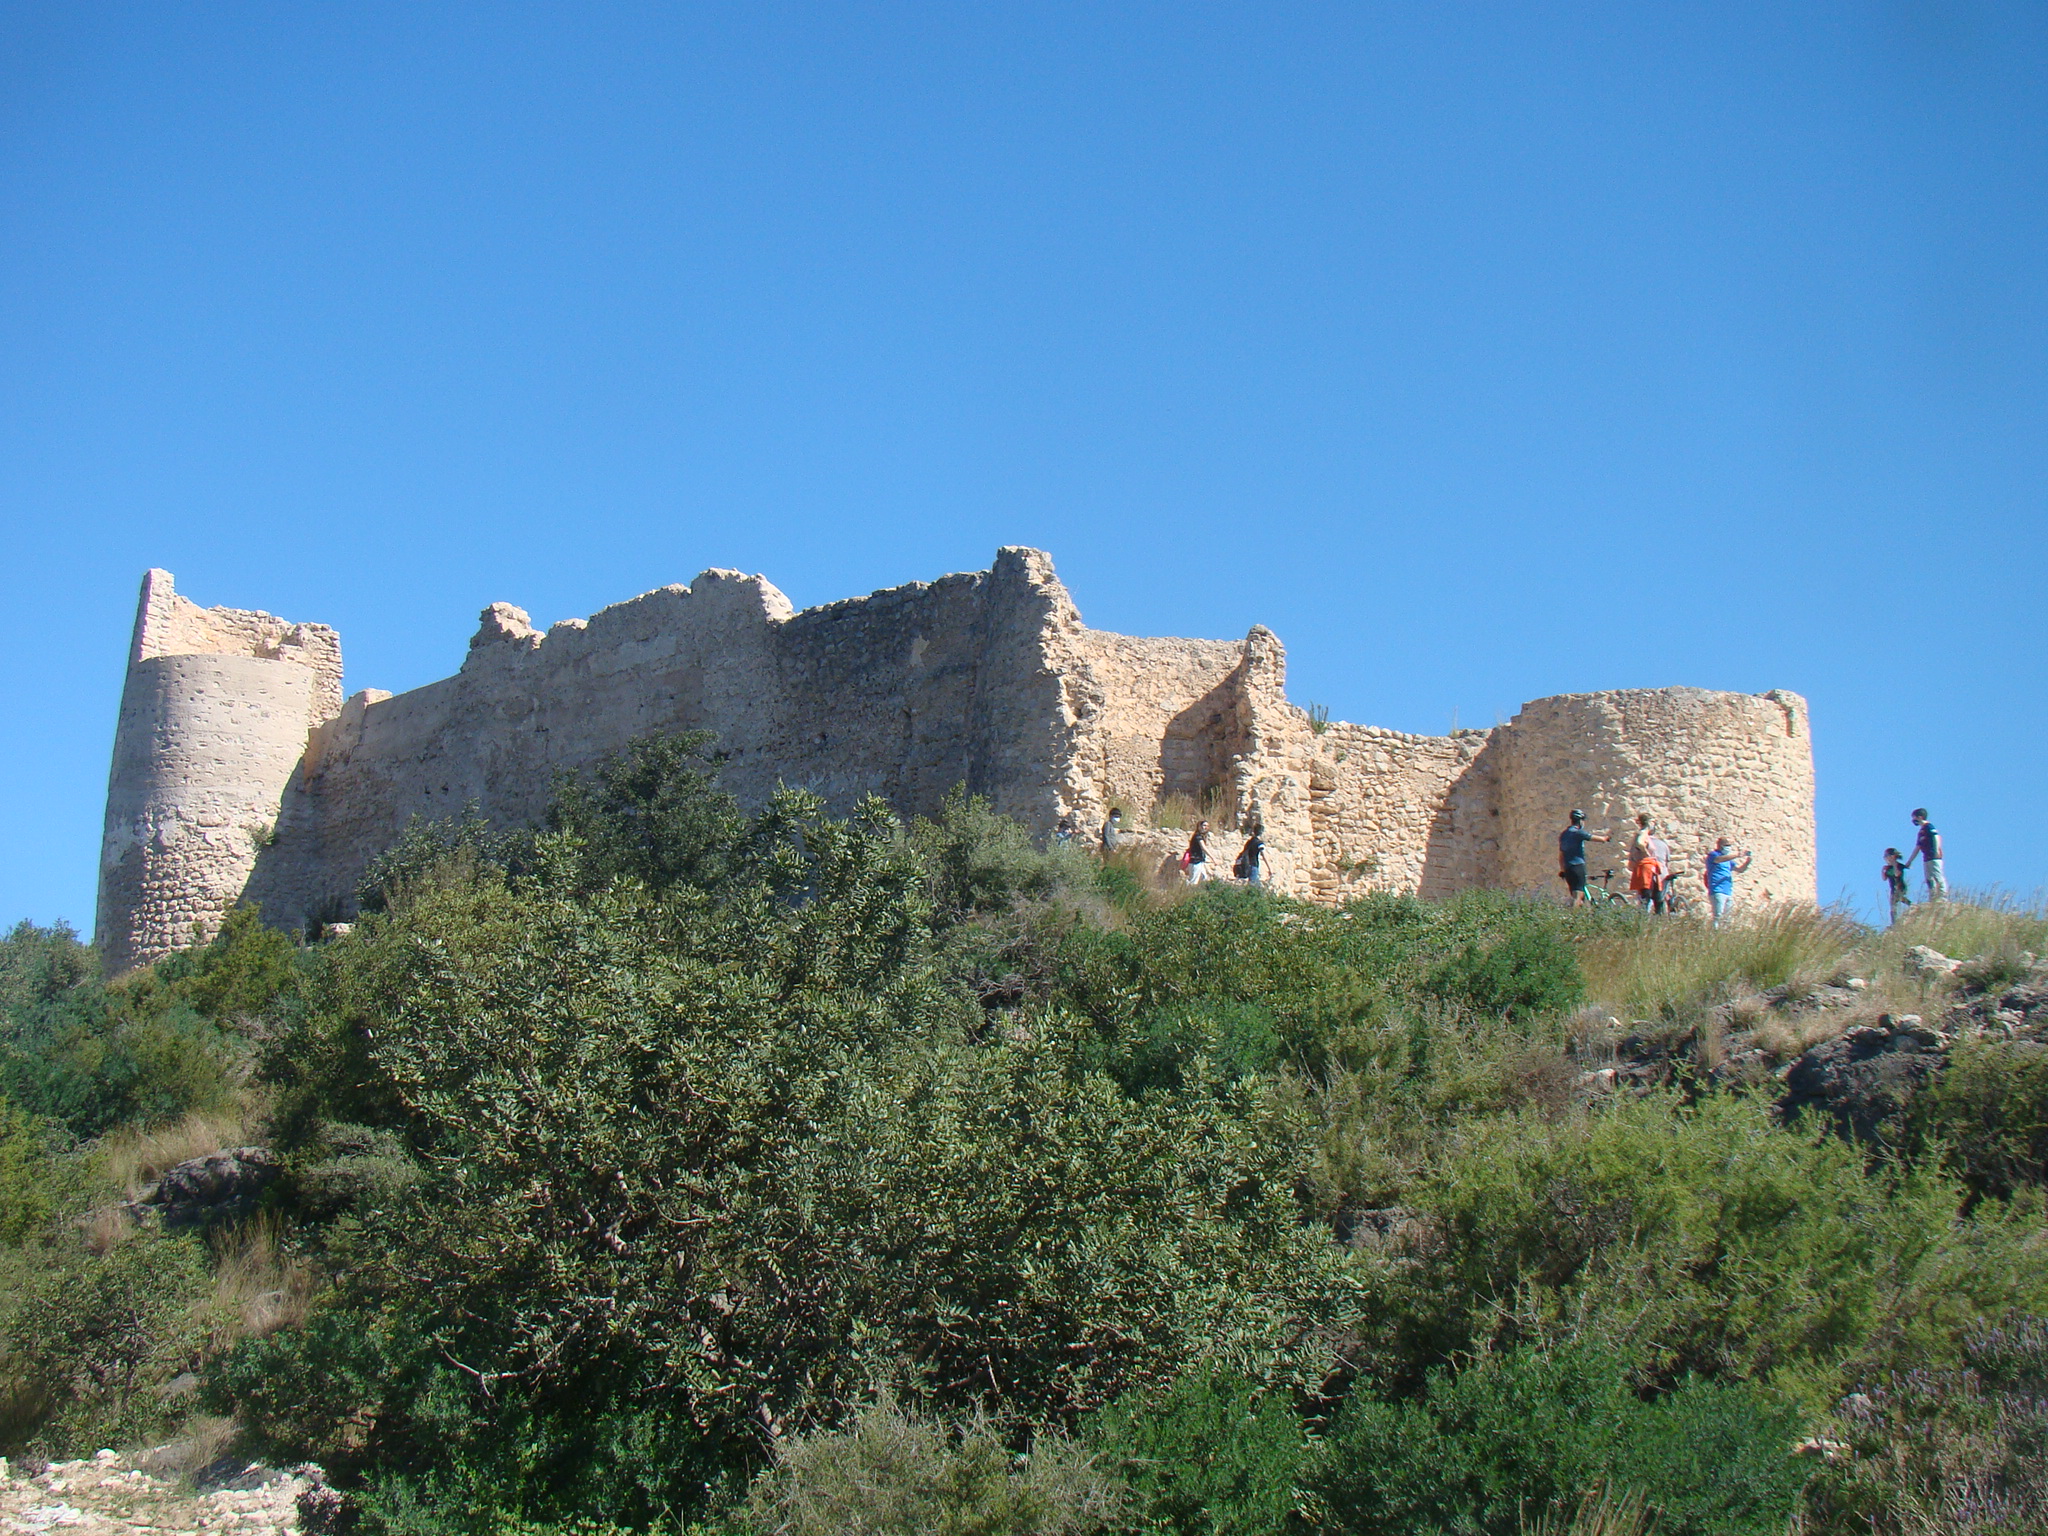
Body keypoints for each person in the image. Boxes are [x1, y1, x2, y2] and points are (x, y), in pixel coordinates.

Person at [1557, 810, 1612, 906]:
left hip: (1568, 867)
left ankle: (1576, 917)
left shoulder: (1564, 834)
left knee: (1575, 894)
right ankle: (1572, 918)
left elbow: (1561, 854)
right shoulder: (1578, 833)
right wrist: (1606, 838)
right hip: (1578, 866)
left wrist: (1563, 870)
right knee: (1578, 895)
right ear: (1580, 821)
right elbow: (1594, 838)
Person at [1703, 837, 1752, 928]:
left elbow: (1740, 869)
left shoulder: (1728, 861)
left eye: (1729, 845)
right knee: (1718, 916)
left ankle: (1724, 934)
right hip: (1717, 890)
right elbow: (1719, 859)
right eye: (1726, 845)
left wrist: (1747, 863)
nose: (1728, 847)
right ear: (1719, 845)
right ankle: (1715, 934)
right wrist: (1738, 854)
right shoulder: (1713, 855)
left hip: (1727, 891)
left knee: (1727, 918)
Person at [1628, 814, 1668, 914]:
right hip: (1647, 868)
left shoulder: (1644, 834)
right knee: (1647, 896)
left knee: (1654, 896)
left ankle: (1655, 921)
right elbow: (1639, 843)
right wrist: (1646, 852)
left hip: (1651, 868)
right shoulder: (1643, 833)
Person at [1903, 809, 1945, 902]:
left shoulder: (1929, 827)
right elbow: (1917, 848)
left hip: (1934, 857)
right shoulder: (1921, 832)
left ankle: (1943, 897)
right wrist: (1910, 861)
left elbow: (1936, 837)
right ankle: (1933, 898)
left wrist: (1937, 849)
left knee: (1938, 876)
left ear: (1920, 817)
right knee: (1929, 879)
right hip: (1926, 858)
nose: (1913, 820)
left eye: (1914, 817)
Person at [1882, 847, 1913, 926]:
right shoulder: (1887, 868)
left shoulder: (1899, 866)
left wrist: (1894, 864)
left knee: (1899, 898)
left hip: (1900, 886)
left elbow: (1897, 874)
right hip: (1893, 889)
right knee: (1893, 907)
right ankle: (1894, 923)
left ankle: (1912, 905)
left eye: (1887, 856)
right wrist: (1883, 871)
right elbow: (1884, 878)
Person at [1184, 819, 1214, 884]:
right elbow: (1203, 847)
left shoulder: (1199, 836)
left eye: (1207, 826)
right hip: (1196, 861)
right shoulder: (1198, 837)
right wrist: (1213, 858)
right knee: (1193, 881)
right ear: (1199, 826)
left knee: (1204, 877)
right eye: (1204, 825)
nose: (1205, 827)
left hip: (1199, 861)